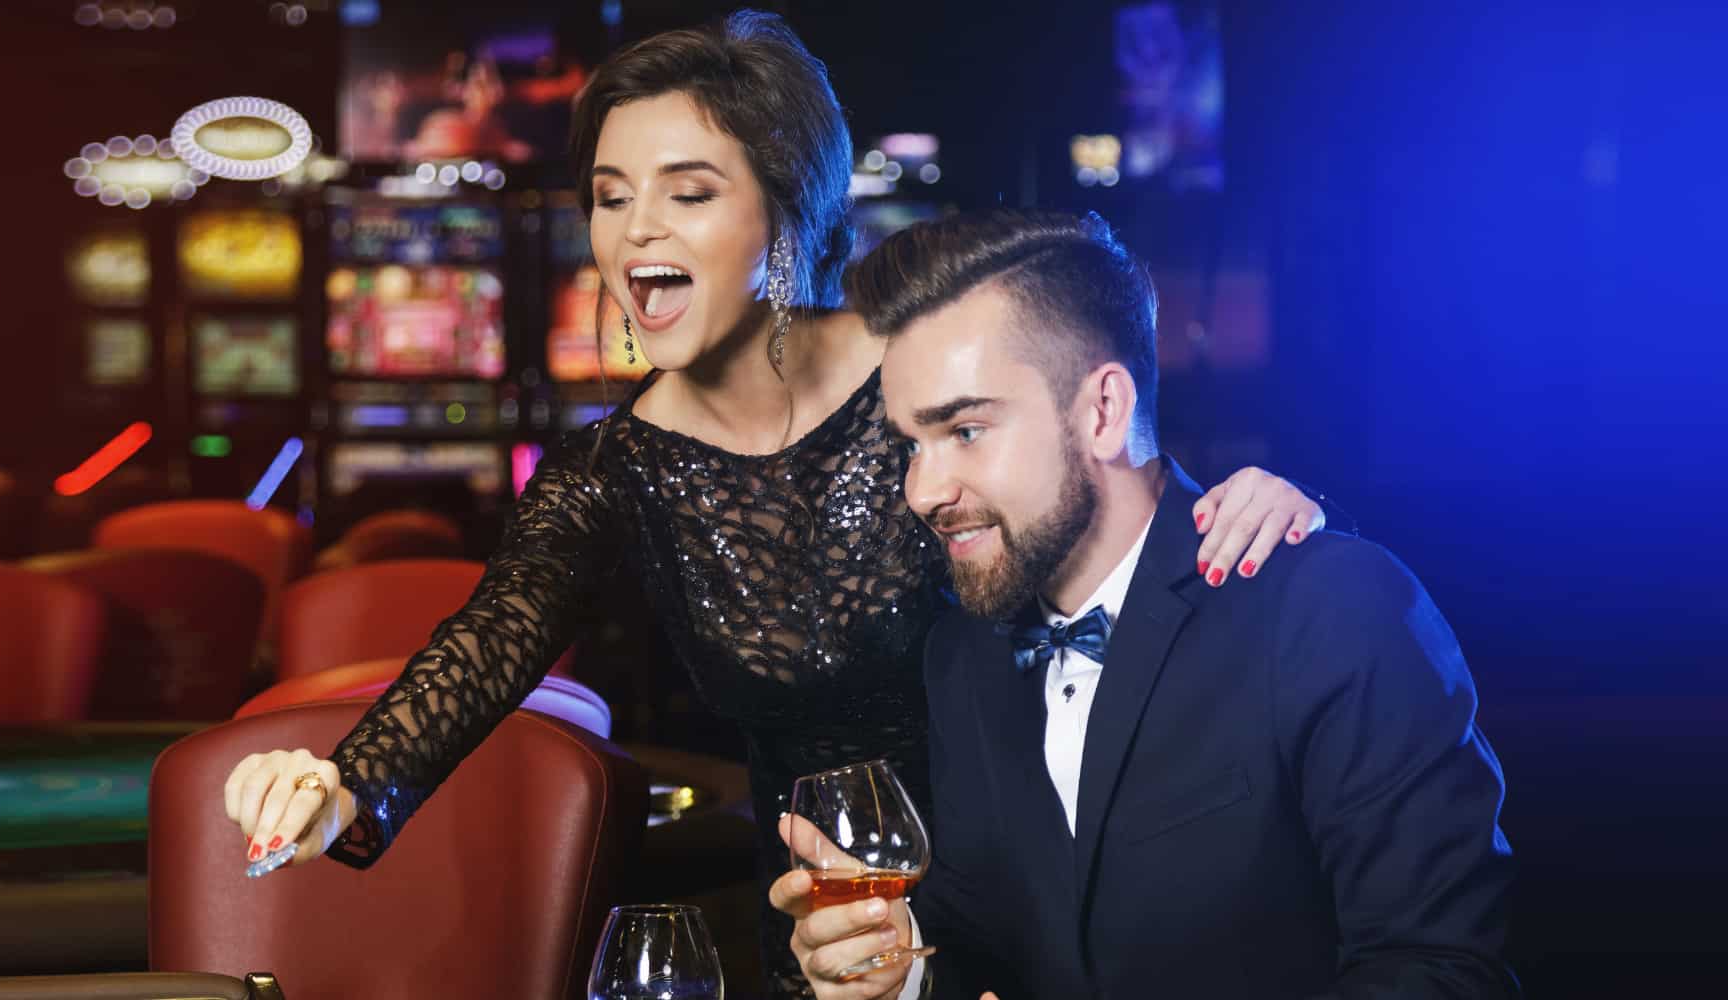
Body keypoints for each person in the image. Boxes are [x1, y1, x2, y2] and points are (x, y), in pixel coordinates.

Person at [223, 14, 1327, 996]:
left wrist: (1260, 508)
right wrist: (343, 778)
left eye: (689, 193)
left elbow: (1112, 485)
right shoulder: (615, 468)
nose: (635, 231)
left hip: (1075, 890)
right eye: (611, 198)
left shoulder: (926, 368)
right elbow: (487, 639)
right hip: (837, 936)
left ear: (787, 209)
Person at [770, 209, 1517, 999]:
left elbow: (1442, 974)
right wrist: (905, 969)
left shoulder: (1331, 610)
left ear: (1103, 410)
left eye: (965, 429)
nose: (922, 490)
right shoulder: (964, 655)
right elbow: (989, 941)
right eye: (910, 444)